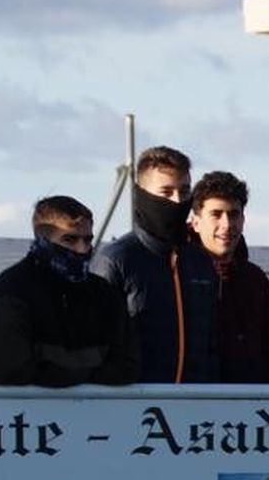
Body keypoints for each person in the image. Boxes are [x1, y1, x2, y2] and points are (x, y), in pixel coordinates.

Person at [0, 196, 137, 387]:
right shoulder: (11, 293)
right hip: (25, 406)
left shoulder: (103, 294)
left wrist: (66, 377)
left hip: (92, 405)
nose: (82, 249)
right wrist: (84, 377)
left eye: (87, 240)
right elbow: (8, 369)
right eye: (70, 240)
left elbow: (127, 367)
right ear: (44, 241)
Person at [91, 145, 220, 383]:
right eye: (166, 192)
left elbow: (212, 344)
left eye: (184, 191)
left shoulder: (200, 261)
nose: (178, 200)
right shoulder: (116, 260)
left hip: (196, 399)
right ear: (141, 193)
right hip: (136, 400)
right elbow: (96, 343)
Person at [189, 171, 269, 383]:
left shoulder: (255, 280)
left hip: (249, 398)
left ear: (243, 220)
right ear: (196, 222)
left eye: (234, 214)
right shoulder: (177, 276)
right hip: (192, 396)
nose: (227, 224)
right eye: (216, 214)